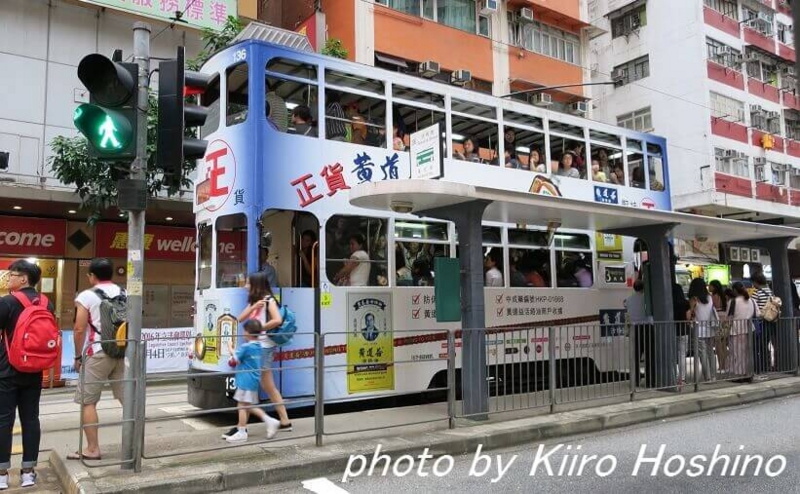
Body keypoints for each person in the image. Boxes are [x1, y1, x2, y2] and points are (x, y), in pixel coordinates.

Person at [0, 261, 51, 489]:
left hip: (7, 371)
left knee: (3, 421)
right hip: (35, 370)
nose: (8, 278)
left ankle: (1, 474)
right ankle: (28, 473)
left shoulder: (7, 302)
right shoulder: (46, 303)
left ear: (23, 279)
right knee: (31, 419)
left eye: (11, 275)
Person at [224, 272, 292, 440]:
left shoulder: (269, 300)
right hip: (258, 348)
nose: (246, 286)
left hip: (264, 347)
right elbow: (239, 319)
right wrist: (254, 308)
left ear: (256, 285)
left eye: (248, 283)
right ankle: (283, 421)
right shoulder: (256, 301)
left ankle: (243, 428)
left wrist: (259, 328)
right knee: (266, 386)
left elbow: (277, 320)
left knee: (250, 386)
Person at [69, 258, 124, 461]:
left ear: (91, 276)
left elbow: (79, 328)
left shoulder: (87, 295)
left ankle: (92, 449)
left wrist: (77, 356)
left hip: (98, 352)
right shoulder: (124, 292)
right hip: (122, 351)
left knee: (88, 402)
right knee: (128, 400)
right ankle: (134, 444)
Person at [222, 320, 281, 443]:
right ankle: (270, 421)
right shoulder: (259, 346)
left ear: (248, 333)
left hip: (245, 380)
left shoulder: (246, 347)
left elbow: (236, 359)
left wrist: (230, 348)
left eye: (244, 330)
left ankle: (242, 432)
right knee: (247, 405)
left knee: (242, 406)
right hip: (253, 380)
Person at [624, 279, 654, 388]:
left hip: (634, 329)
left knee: (635, 356)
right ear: (643, 288)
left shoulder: (628, 300)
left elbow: (627, 311)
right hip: (647, 328)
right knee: (649, 356)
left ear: (634, 288)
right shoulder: (647, 299)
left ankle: (635, 380)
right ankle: (650, 380)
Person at [688, 278, 717, 382]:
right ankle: (713, 376)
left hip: (698, 329)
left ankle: (707, 377)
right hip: (710, 329)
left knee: (703, 354)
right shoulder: (709, 297)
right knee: (711, 353)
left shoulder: (694, 299)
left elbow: (690, 313)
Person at [727, 282, 758, 377]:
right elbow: (758, 313)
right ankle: (748, 373)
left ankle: (740, 374)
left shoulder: (733, 301)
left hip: (736, 330)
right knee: (747, 353)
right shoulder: (752, 300)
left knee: (737, 353)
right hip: (749, 329)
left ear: (735, 290)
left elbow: (729, 317)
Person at [751, 272, 775, 375]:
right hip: (770, 322)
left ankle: (761, 367)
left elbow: (753, 307)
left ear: (756, 282)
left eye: (753, 282)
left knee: (759, 345)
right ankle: (767, 365)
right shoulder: (770, 291)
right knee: (765, 344)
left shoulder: (757, 293)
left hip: (760, 323)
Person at [673, 282, 691, 389]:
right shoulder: (686, 303)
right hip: (683, 331)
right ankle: (682, 378)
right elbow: (688, 318)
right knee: (682, 355)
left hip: (672, 331)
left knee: (672, 355)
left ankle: (673, 376)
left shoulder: (669, 303)